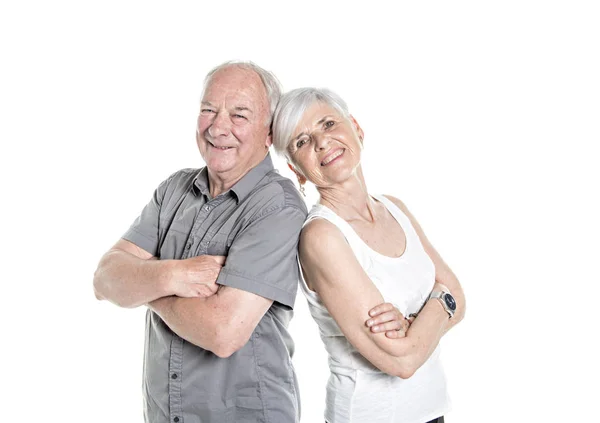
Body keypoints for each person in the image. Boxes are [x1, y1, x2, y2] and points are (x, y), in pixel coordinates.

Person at [93, 61, 309, 423]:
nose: (218, 126)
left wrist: (145, 285)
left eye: (239, 115)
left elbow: (223, 332)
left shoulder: (278, 207)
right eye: (209, 110)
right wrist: (175, 276)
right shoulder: (174, 190)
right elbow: (104, 280)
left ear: (269, 132)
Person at [272, 88, 466, 423]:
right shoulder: (322, 236)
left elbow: (459, 296)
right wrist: (439, 303)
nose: (320, 142)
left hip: (432, 411)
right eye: (302, 141)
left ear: (356, 129)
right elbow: (402, 361)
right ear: (296, 170)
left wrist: (414, 324)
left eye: (328, 123)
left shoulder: (395, 207)